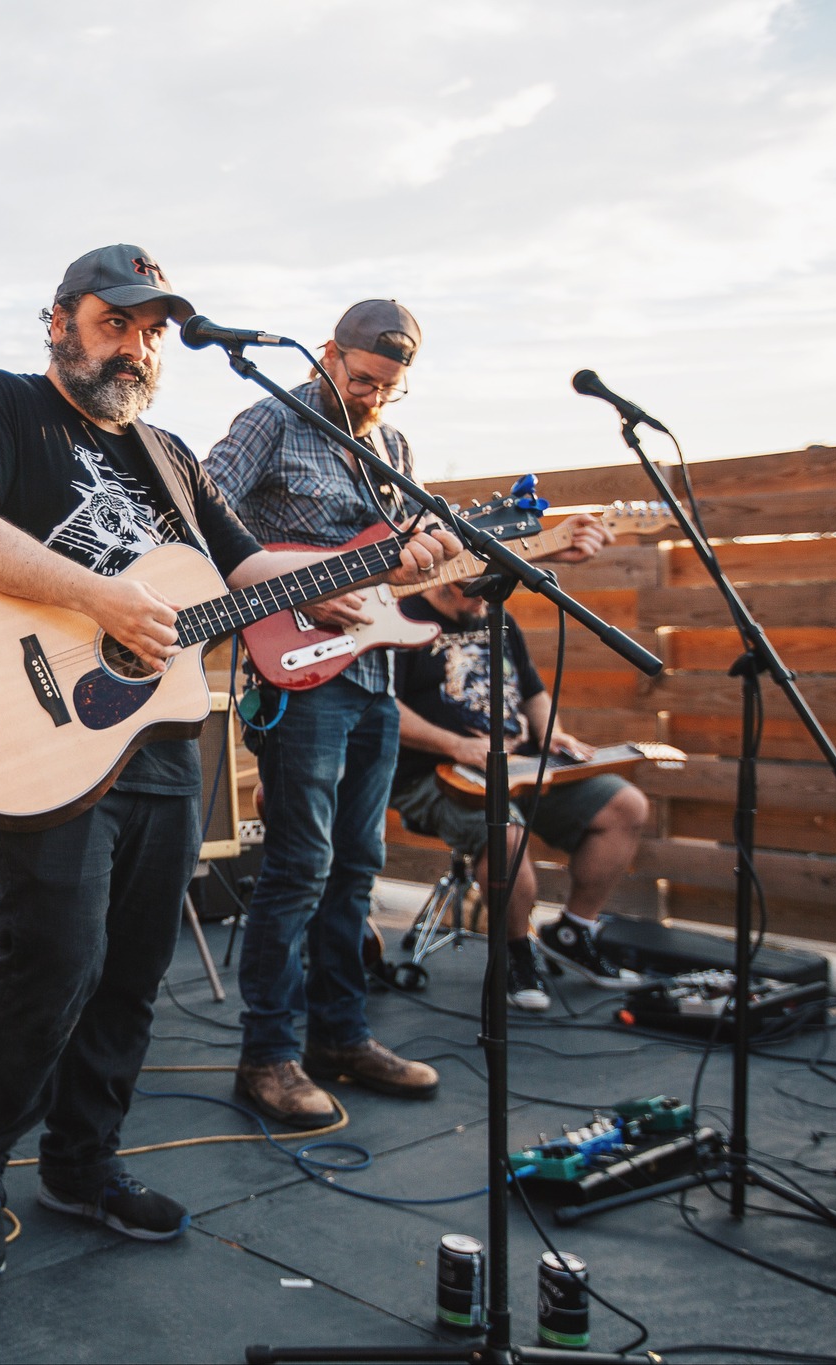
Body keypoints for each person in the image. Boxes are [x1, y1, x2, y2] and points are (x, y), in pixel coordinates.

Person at [0, 247, 458, 1276]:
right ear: (57, 323)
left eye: (150, 330)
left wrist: (380, 563)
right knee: (53, 959)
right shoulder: (5, 406)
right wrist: (99, 598)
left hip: (156, 739)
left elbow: (249, 571)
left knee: (131, 970)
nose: (135, 345)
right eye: (112, 323)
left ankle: (82, 1162)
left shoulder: (167, 453)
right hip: (43, 727)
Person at [206, 301, 608, 1129]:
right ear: (328, 355)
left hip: (375, 675)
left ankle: (341, 1036)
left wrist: (515, 547)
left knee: (357, 863)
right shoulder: (268, 421)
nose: (371, 398)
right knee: (298, 867)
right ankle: (268, 1055)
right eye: (360, 380)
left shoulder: (391, 448)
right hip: (297, 670)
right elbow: (201, 514)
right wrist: (303, 586)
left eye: (389, 388)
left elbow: (408, 571)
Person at [390, 579, 651, 1010]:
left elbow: (532, 692)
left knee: (625, 806)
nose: (483, 601)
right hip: (436, 775)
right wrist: (456, 745)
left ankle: (572, 932)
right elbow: (385, 707)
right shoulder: (402, 619)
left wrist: (556, 735)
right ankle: (515, 954)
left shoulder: (497, 616)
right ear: (446, 581)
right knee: (505, 837)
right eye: (472, 592)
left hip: (521, 766)